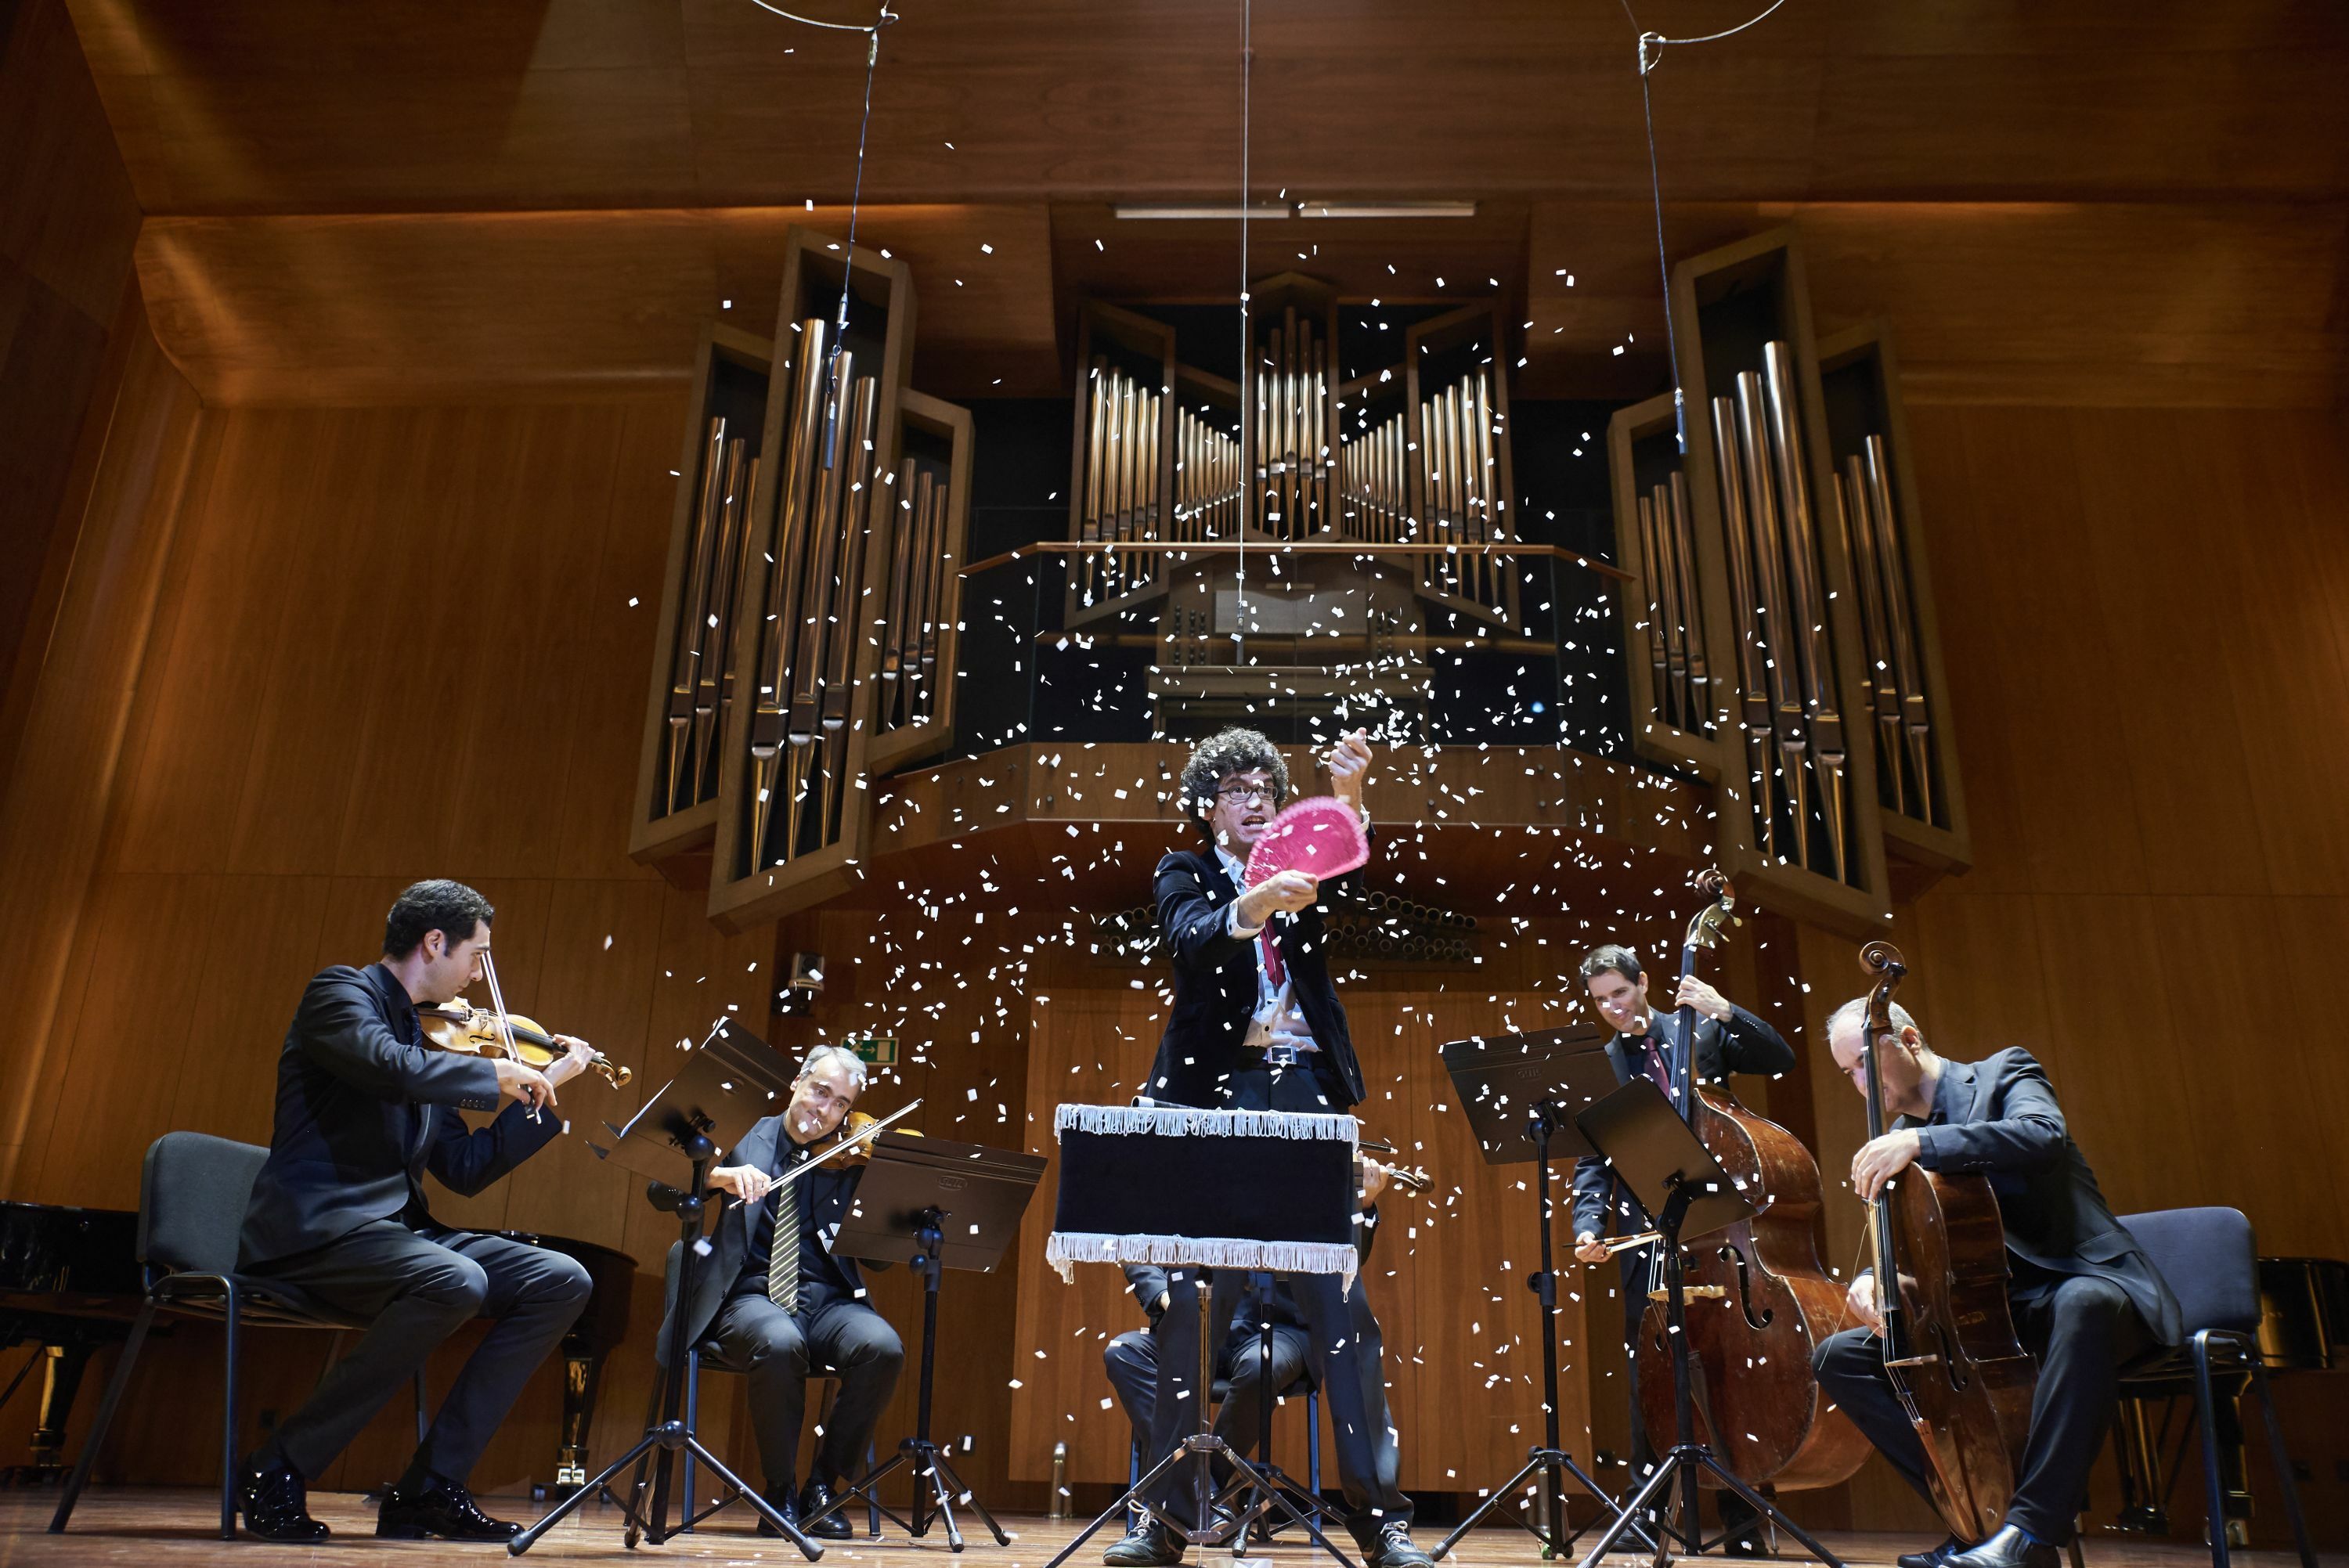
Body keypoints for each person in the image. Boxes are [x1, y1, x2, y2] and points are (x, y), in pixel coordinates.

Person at [1113, 726, 1427, 1568]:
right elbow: (1190, 936)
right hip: (1216, 1091)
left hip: (1306, 1089)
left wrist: (1349, 792)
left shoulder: (1307, 869)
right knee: (1190, 1307)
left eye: (1264, 787)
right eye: (1234, 788)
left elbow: (1342, 863)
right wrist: (1256, 902)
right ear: (1206, 807)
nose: (1254, 799)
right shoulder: (1182, 871)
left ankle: (1380, 1521)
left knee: (1340, 1311)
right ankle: (1170, 1520)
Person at [236, 879, 600, 1543]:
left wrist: (545, 1090)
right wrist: (493, 1074)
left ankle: (427, 1490)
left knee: (562, 1279)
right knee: (454, 1279)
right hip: (320, 1232)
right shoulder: (340, 994)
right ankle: (278, 1465)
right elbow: (385, 1064)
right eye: (477, 954)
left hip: (401, 1236)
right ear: (435, 941)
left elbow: (463, 1169)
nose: (479, 976)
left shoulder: (433, 1044)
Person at [1812, 999, 2182, 1568]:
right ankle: (1974, 1523)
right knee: (1841, 1355)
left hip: (2084, 1289)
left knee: (2082, 1303)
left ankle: (2029, 1535)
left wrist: (1921, 1144)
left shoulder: (2003, 1073)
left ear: (1909, 1038)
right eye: (1848, 1073)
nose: (1859, 1082)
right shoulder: (1901, 1141)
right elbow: (1909, 1247)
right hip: (1990, 1319)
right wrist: (1872, 1280)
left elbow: (2041, 1136)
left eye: (1863, 1062)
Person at [1568, 943, 1795, 1553]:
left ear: (1644, 983)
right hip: (1650, 1233)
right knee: (1654, 1373)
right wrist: (1588, 1224)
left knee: (1729, 1370)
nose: (1613, 1008)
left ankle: (1745, 1522)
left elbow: (1781, 1057)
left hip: (1724, 1233)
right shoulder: (1607, 1067)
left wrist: (1725, 1009)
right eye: (1600, 1001)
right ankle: (1646, 1521)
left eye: (1620, 992)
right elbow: (1595, 1159)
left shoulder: (1699, 1031)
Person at [660, 1044, 904, 1540]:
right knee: (779, 1340)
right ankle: (779, 1490)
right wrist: (721, 1176)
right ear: (797, 1082)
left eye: (840, 1103)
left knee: (883, 1348)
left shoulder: (850, 1159)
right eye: (820, 1092)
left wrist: (886, 1197)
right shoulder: (741, 1134)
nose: (827, 1110)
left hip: (829, 1300)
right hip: (748, 1297)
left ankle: (823, 1486)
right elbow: (661, 1188)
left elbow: (877, 1260)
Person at [1102, 1159, 1391, 1486]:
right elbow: (1136, 1244)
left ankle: (1202, 1488)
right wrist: (1166, 1300)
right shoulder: (1185, 1171)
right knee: (1123, 1352)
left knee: (1259, 1366)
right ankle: (1203, 1490)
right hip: (1194, 1325)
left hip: (1278, 1329)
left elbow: (1344, 1262)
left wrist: (1363, 1205)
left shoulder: (1298, 1178)